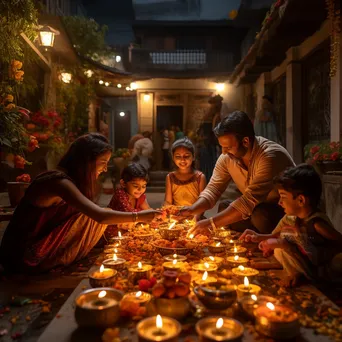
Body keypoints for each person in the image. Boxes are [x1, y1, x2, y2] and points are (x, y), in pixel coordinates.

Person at [0, 133, 159, 274]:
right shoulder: (58, 182)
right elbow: (100, 216)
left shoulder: (73, 182)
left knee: (96, 216)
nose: (104, 169)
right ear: (86, 161)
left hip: (37, 249)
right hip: (23, 256)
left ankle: (64, 257)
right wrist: (138, 216)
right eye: (103, 162)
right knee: (94, 217)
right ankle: (53, 261)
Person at [184, 111, 295, 236]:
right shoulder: (227, 157)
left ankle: (265, 239)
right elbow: (213, 190)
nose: (224, 152)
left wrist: (210, 223)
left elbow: (248, 201)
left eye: (228, 147)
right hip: (255, 208)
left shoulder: (269, 156)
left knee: (260, 216)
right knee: (224, 208)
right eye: (222, 147)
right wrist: (192, 210)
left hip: (284, 212)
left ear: (245, 142)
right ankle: (250, 236)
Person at [240, 164, 342, 287]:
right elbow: (276, 235)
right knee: (280, 244)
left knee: (282, 244)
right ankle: (290, 269)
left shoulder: (317, 224)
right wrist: (259, 237)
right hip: (301, 259)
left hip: (318, 268)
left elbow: (338, 243)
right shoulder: (292, 218)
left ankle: (300, 275)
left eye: (283, 197)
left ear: (301, 200)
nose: (279, 202)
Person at [105, 163, 151, 240]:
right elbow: (130, 214)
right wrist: (147, 216)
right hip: (113, 236)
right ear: (123, 183)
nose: (140, 190)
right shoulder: (120, 194)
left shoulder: (140, 196)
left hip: (129, 233)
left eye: (143, 186)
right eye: (136, 186)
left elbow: (148, 211)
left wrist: (158, 214)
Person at [164, 138, 206, 214]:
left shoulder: (200, 177)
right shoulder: (170, 177)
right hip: (176, 217)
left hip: (195, 217)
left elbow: (202, 203)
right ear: (173, 158)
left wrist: (195, 216)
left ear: (193, 157)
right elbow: (168, 201)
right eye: (178, 156)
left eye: (186, 156)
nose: (182, 160)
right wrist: (168, 212)